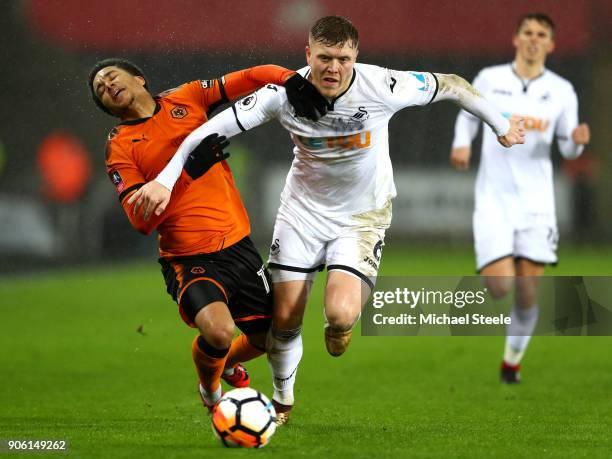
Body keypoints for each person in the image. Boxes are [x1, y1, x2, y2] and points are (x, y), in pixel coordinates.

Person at [128, 15, 525, 423]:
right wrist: (164, 180)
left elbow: (453, 84)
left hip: (360, 216)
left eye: (343, 59)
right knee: (283, 320)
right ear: (308, 55)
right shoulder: (280, 95)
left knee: (339, 317)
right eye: (324, 58)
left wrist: (501, 126)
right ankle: (282, 404)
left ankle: (339, 328)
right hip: (301, 214)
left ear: (356, 56)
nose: (333, 68)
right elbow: (206, 132)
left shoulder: (384, 86)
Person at [88, 58, 328, 413]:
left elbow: (249, 77)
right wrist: (189, 174)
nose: (107, 86)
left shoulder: (187, 98)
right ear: (106, 108)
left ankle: (226, 361)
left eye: (110, 77)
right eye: (100, 91)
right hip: (189, 257)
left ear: (139, 78)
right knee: (218, 330)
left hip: (238, 247)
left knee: (269, 339)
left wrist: (290, 80)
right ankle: (210, 387)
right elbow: (140, 221)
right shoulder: (121, 146)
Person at [449, 13, 590, 383]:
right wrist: (462, 143)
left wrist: (575, 142)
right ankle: (493, 267)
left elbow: (567, 147)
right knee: (500, 287)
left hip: (537, 204)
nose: (533, 39)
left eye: (541, 34)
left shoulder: (561, 90)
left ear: (550, 44)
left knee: (528, 294)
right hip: (493, 199)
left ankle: (511, 362)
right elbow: (468, 112)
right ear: (516, 38)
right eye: (527, 32)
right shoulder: (490, 80)